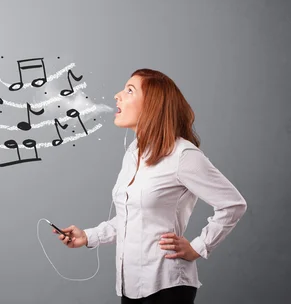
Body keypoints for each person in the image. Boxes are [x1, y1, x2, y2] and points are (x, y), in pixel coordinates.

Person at [54, 69, 247, 303]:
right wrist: (88, 236)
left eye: (129, 90)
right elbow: (132, 218)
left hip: (167, 287)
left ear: (152, 105)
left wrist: (199, 246)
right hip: (129, 286)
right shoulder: (133, 153)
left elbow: (233, 205)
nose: (117, 95)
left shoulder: (182, 155)